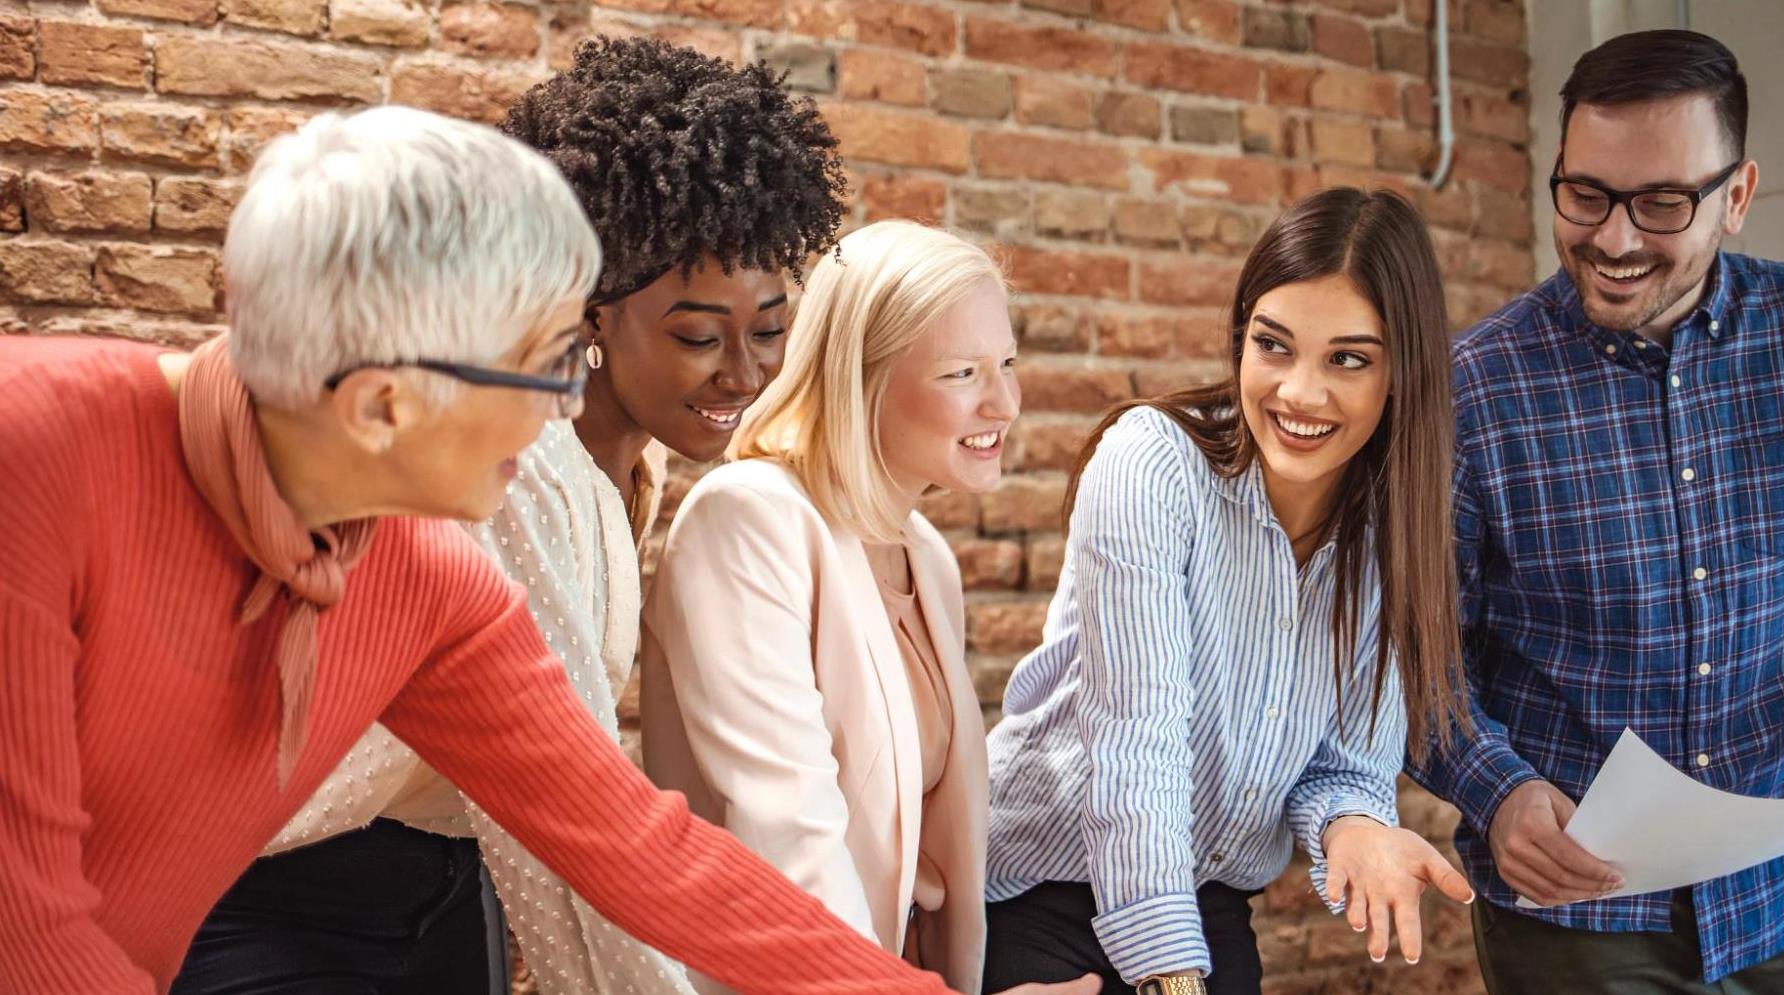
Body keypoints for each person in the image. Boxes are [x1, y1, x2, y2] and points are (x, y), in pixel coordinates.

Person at [0, 105, 969, 995]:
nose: (564, 404)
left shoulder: (427, 578)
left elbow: (638, 850)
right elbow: (27, 936)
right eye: (548, 360)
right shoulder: (31, 457)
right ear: (384, 402)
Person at [175, 38, 845, 995]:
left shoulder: (632, 465)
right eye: (698, 334)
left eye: (771, 328)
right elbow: (576, 827)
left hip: (445, 897)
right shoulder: (515, 469)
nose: (743, 370)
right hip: (285, 901)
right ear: (595, 315)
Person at [1407, 29, 1784, 995]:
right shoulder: (1472, 391)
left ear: (1738, 197)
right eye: (1586, 193)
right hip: (1582, 917)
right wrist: (1497, 788)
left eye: (1662, 203)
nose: (1614, 238)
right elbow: (1412, 650)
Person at [980, 188, 1476, 995]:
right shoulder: (1150, 466)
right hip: (1043, 891)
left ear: (1401, 373)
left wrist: (1353, 822)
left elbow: (1348, 764)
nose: (1300, 393)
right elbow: (1136, 750)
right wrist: (1172, 981)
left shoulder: (1400, 525)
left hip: (1211, 901)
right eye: (1273, 346)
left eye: (1348, 358)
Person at [640, 220, 1020, 994]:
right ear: (862, 375)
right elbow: (792, 838)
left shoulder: (928, 558)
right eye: (962, 374)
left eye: (1008, 364)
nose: (1004, 403)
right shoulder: (748, 518)